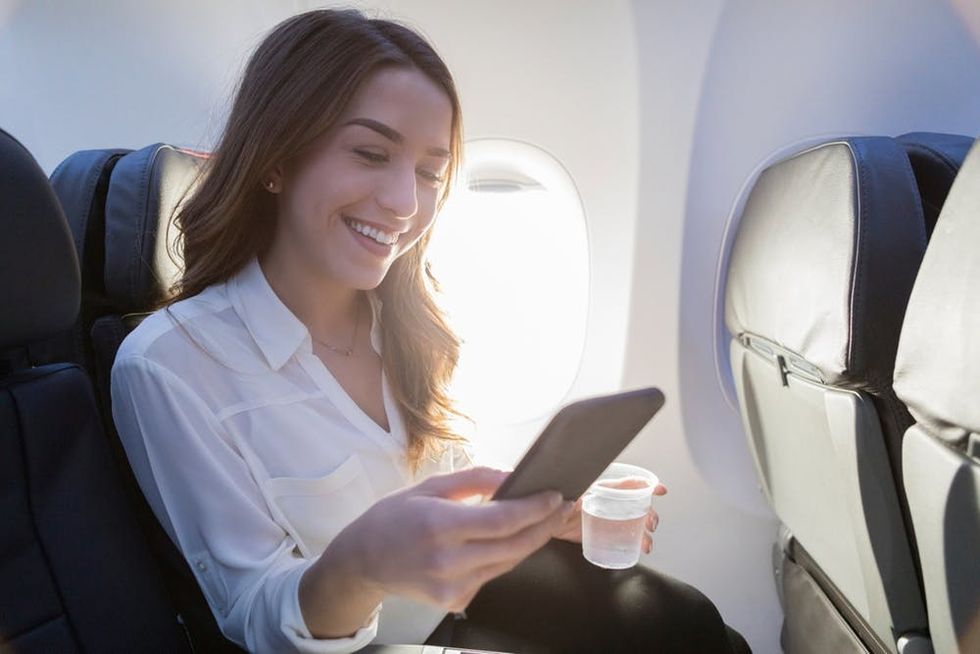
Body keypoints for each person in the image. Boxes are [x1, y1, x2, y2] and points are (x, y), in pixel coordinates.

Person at [111, 8, 747, 654]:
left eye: (429, 172)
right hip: (360, 647)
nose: (405, 203)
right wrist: (362, 564)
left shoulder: (405, 321)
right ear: (275, 160)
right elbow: (255, 619)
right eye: (371, 154)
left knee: (689, 622)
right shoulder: (171, 365)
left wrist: (532, 515)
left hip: (450, 606)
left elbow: (444, 498)